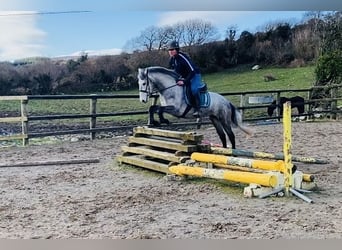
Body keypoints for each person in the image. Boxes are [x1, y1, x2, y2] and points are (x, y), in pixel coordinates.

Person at [167, 40, 202, 117]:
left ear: (177, 50)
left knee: (194, 89)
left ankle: (198, 109)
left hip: (195, 75)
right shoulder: (172, 60)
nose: (170, 51)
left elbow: (192, 71)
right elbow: (172, 72)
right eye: (169, 50)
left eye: (172, 49)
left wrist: (185, 82)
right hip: (185, 76)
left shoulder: (183, 58)